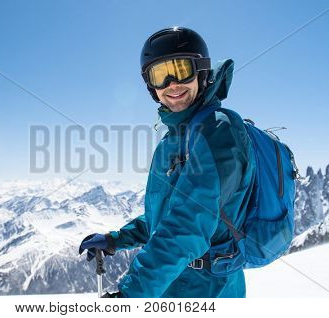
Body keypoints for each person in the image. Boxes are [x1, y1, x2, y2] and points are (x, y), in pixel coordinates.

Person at [79, 26, 256, 298]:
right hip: (175, 287)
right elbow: (164, 215)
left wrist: (130, 295)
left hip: (209, 292)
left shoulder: (218, 131)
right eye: (160, 75)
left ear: (201, 71)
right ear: (151, 86)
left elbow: (187, 225)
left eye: (181, 70)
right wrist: (117, 239)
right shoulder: (174, 140)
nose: (172, 84)